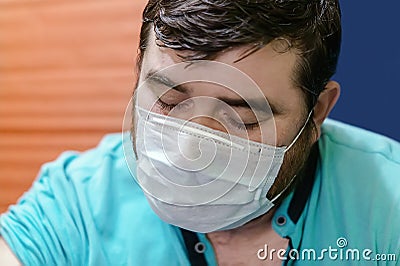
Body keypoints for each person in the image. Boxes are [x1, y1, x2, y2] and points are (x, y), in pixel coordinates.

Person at [1, 0, 399, 265]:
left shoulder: (388, 205)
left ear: (318, 113)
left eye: (242, 118)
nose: (191, 146)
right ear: (138, 75)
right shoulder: (78, 203)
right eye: (171, 101)